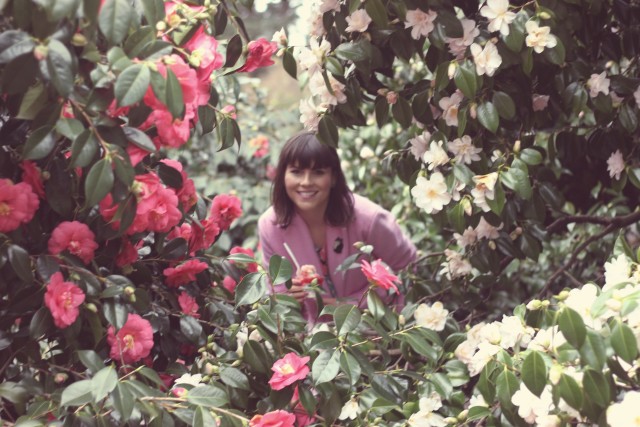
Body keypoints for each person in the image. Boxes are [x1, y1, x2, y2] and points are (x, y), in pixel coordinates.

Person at [258, 131, 417, 319]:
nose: (306, 182)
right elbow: (278, 293)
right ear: (282, 175)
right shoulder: (270, 225)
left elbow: (409, 268)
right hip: (312, 340)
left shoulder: (369, 218)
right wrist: (289, 297)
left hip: (374, 329)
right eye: (296, 172)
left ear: (333, 177)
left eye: (318, 172)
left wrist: (355, 304)